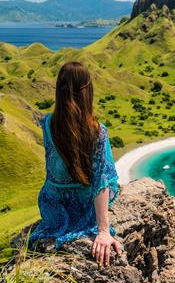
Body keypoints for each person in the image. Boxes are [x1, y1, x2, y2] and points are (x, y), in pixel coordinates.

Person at [30, 61, 121, 266]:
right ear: (88, 91)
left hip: (52, 206)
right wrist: (103, 231)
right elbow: (101, 181)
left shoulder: (47, 124)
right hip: (82, 207)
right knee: (109, 179)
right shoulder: (98, 132)